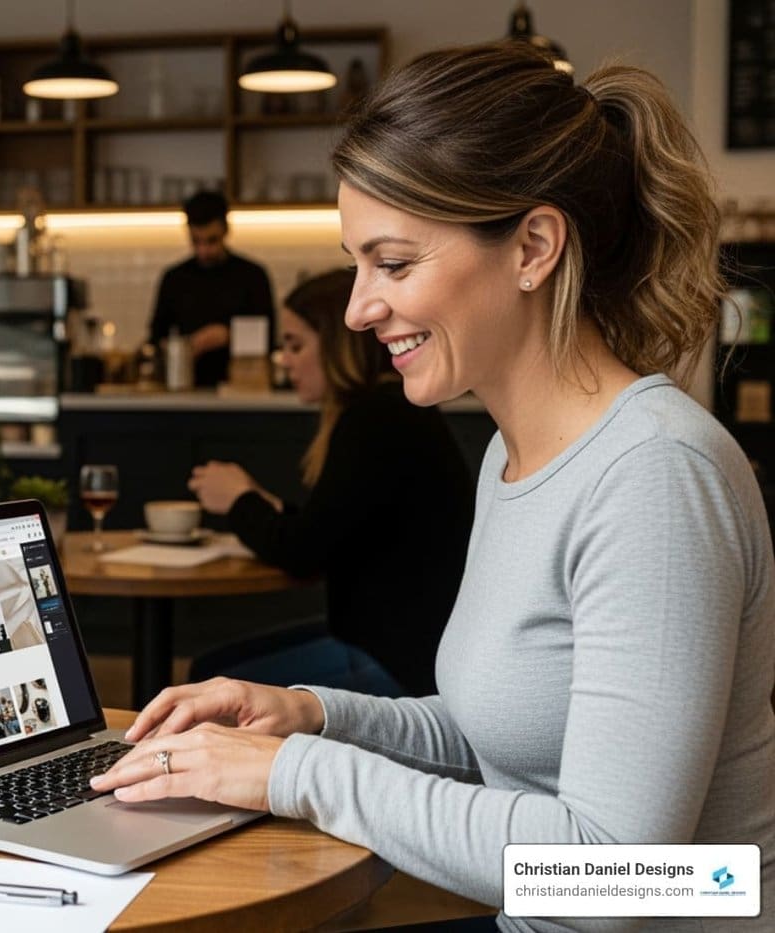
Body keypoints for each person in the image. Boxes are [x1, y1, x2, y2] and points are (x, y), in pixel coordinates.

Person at [91, 41, 775, 928]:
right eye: (357, 262)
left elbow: (619, 877)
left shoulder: (654, 477)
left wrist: (295, 774)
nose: (356, 308)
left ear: (532, 246)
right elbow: (503, 737)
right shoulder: (511, 453)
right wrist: (307, 715)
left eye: (394, 263)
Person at [186, 268, 474, 697]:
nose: (284, 360)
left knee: (206, 682)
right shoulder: (385, 409)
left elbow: (303, 553)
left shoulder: (375, 419)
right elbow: (334, 530)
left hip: (397, 662)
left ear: (338, 344)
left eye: (295, 345)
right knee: (209, 671)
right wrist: (263, 503)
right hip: (398, 644)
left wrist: (241, 500)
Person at [148, 190, 275, 387]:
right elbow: (156, 337)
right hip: (184, 386)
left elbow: (269, 337)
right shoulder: (174, 278)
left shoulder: (252, 276)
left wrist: (228, 335)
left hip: (242, 387)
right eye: (196, 241)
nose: (204, 250)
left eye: (212, 241)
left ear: (226, 230)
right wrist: (183, 347)